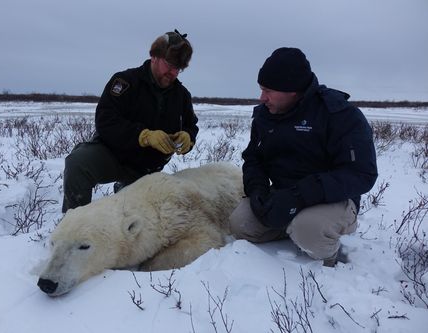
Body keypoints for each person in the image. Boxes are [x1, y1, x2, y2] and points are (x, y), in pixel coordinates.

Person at [229, 47, 378, 266]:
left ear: (292, 90)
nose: (262, 98)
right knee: (240, 223)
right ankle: (291, 227)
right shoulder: (265, 116)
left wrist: (299, 195)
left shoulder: (340, 115)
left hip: (332, 200)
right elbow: (254, 159)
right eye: (261, 89)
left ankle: (327, 253)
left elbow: (362, 174)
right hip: (282, 195)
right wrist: (258, 192)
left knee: (309, 230)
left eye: (268, 90)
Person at [62, 29, 198, 213]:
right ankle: (72, 225)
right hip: (112, 155)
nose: (173, 72)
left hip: (146, 170)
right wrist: (143, 136)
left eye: (179, 68)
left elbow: (191, 126)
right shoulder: (125, 82)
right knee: (77, 163)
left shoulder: (181, 96)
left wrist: (187, 137)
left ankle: (125, 189)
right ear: (154, 56)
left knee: (132, 214)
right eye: (170, 64)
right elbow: (105, 120)